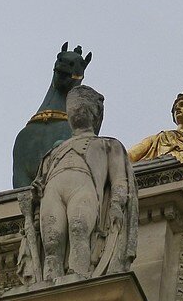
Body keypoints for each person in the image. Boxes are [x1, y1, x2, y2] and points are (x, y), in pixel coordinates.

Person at [31, 85, 138, 281]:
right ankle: (48, 282)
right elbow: (40, 182)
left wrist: (116, 204)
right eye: (73, 108)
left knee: (79, 228)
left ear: (94, 114)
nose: (76, 111)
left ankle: (78, 275)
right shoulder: (53, 152)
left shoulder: (109, 145)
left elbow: (120, 180)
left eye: (82, 107)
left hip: (84, 188)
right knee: (51, 242)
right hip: (54, 191)